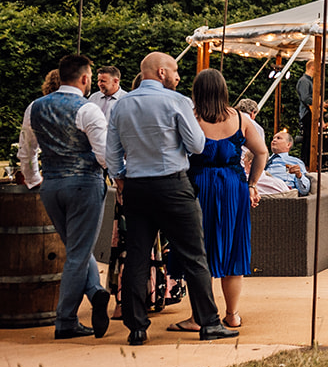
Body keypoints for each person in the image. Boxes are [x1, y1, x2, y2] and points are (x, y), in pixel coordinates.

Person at [106, 52, 236, 345]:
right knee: (194, 254)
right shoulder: (176, 102)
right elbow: (196, 144)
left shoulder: (122, 104)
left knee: (137, 255)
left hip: (137, 186)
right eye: (175, 70)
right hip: (173, 185)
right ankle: (209, 323)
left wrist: (121, 178)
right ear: (162, 72)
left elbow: (111, 150)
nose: (178, 75)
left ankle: (136, 327)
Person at [17, 54, 112, 339]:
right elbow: (104, 155)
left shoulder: (34, 107)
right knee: (78, 253)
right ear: (85, 79)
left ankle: (95, 293)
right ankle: (66, 320)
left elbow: (26, 152)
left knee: (76, 248)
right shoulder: (88, 110)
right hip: (84, 185)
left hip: (51, 186)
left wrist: (35, 180)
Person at [175, 68, 267, 332]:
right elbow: (261, 152)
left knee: (197, 251)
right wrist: (251, 184)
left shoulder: (191, 118)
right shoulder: (240, 119)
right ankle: (232, 314)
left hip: (198, 186)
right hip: (233, 188)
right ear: (224, 90)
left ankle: (197, 317)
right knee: (233, 249)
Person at [263, 128, 311, 196]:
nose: (274, 140)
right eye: (273, 138)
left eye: (278, 138)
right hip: (261, 190)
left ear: (288, 145)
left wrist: (299, 175)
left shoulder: (295, 162)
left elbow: (304, 190)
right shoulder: (263, 159)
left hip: (281, 193)